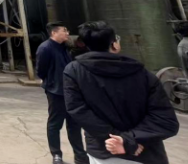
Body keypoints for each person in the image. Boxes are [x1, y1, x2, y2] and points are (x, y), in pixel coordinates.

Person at [64, 21, 180, 164]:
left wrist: (121, 140)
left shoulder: (74, 71)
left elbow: (78, 111)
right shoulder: (143, 74)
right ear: (114, 44)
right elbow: (166, 120)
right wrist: (129, 140)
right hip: (145, 152)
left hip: (104, 152)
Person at [36, 22, 89, 164]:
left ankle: (80, 156)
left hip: (71, 91)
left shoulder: (65, 47)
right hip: (56, 92)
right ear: (54, 33)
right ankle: (56, 154)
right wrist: (50, 82)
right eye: (64, 31)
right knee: (55, 124)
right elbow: (41, 70)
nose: (67, 33)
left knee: (74, 124)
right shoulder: (45, 48)